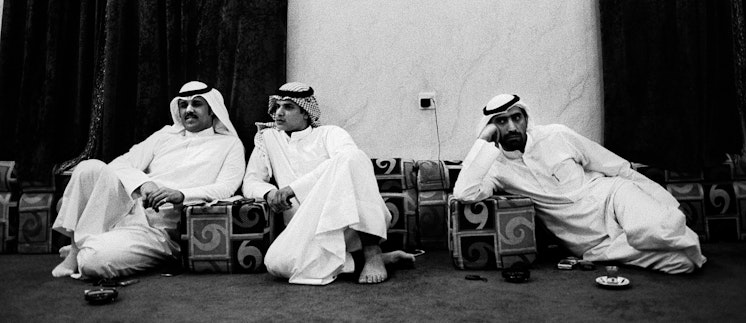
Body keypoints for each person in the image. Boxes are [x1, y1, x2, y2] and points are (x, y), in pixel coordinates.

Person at [453, 93, 706, 274]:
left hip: (611, 197)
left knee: (655, 229)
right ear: (491, 128)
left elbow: (616, 167)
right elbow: (465, 193)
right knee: (682, 263)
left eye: (516, 118)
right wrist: (484, 141)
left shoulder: (557, 135)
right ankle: (679, 240)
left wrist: (665, 200)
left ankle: (667, 226)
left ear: (526, 119)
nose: (511, 127)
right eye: (501, 121)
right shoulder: (495, 167)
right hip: (590, 241)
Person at [52, 81, 245, 279]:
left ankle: (87, 243)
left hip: (160, 231)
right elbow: (119, 164)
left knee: (93, 262)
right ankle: (76, 251)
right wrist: (145, 184)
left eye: (196, 104)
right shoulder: (165, 135)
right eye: (183, 105)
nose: (188, 110)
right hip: (126, 209)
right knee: (88, 168)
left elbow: (227, 187)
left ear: (212, 110)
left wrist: (181, 195)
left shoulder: (229, 144)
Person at [242, 82, 415, 285]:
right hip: (304, 222)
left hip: (345, 217)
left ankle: (373, 253)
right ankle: (363, 261)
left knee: (353, 157)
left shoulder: (330, 133)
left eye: (288, 107)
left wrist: (292, 189)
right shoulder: (268, 138)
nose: (278, 113)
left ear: (306, 112)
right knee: (276, 263)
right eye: (277, 106)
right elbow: (251, 180)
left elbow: (350, 161)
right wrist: (269, 193)